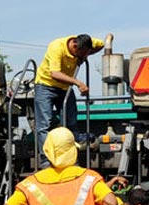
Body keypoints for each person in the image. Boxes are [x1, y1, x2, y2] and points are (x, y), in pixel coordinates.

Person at [34, 33, 113, 163]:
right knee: (44, 125)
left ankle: (70, 157)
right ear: (75, 46)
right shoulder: (56, 47)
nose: (85, 56)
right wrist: (78, 83)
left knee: (70, 122)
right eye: (83, 53)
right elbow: (55, 74)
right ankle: (46, 161)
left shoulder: (88, 42)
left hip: (64, 88)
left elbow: (102, 44)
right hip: (45, 85)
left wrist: (86, 54)